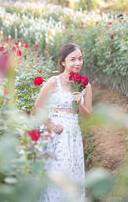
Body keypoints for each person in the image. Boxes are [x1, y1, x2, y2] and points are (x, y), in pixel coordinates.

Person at [34, 43, 92, 201]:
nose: (78, 63)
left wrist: (79, 103)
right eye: (73, 59)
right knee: (56, 175)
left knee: (73, 175)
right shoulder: (54, 82)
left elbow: (88, 117)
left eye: (80, 59)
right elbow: (37, 108)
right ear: (63, 62)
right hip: (54, 136)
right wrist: (50, 125)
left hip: (72, 136)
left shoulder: (85, 86)